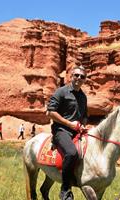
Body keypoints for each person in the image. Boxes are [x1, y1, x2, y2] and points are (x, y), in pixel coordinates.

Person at [47, 65, 88, 200]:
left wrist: (83, 125)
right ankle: (65, 190)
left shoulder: (83, 96)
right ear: (71, 76)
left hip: (77, 131)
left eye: (82, 77)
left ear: (84, 80)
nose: (79, 78)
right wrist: (70, 124)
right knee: (71, 152)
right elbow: (51, 112)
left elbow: (84, 116)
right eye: (76, 75)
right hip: (61, 130)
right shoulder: (61, 92)